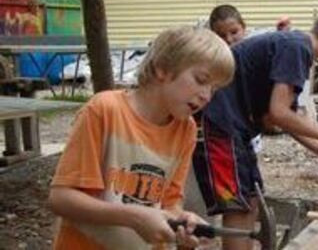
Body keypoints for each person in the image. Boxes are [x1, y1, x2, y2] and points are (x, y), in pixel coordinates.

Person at [191, 4, 318, 250]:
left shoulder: (296, 49)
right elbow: (280, 112)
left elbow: (280, 117)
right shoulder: (297, 48)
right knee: (239, 206)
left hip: (234, 128)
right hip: (219, 124)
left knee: (251, 203)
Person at [48, 26, 236, 249]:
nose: (206, 96)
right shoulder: (104, 111)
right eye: (201, 79)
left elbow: (169, 204)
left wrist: (182, 222)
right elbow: (61, 199)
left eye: (214, 89)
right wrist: (135, 217)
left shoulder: (186, 130)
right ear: (162, 68)